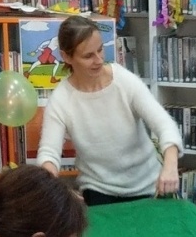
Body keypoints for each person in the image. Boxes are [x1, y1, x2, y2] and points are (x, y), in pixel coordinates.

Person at [37, 16, 184, 205]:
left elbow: (164, 124)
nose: (98, 60)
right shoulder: (61, 99)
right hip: (98, 192)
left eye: (100, 50)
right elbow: (48, 153)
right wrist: (52, 184)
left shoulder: (124, 81)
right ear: (66, 57)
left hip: (149, 187)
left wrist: (170, 166)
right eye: (88, 56)